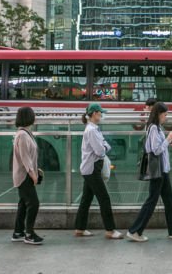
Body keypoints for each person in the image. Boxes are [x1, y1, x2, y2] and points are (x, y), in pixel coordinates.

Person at [126, 102, 172, 242]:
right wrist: (169, 138)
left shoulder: (156, 128)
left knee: (169, 200)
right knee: (152, 200)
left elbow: (159, 145)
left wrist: (168, 142)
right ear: (159, 114)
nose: (166, 117)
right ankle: (135, 231)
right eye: (165, 114)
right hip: (158, 170)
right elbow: (156, 150)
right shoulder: (154, 128)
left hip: (163, 170)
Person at [74, 103, 123, 240]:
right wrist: (106, 147)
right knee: (104, 198)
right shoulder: (91, 130)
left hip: (90, 168)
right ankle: (110, 230)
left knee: (86, 199)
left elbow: (102, 146)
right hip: (92, 169)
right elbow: (101, 150)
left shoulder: (93, 129)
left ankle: (80, 228)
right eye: (100, 112)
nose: (102, 115)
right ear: (94, 113)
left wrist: (104, 146)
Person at [11, 107, 43, 245]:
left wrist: (36, 169)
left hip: (25, 174)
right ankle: (29, 234)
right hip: (24, 175)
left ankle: (18, 232)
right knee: (33, 203)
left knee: (23, 204)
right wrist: (32, 173)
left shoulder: (25, 133)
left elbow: (29, 155)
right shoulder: (23, 135)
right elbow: (25, 157)